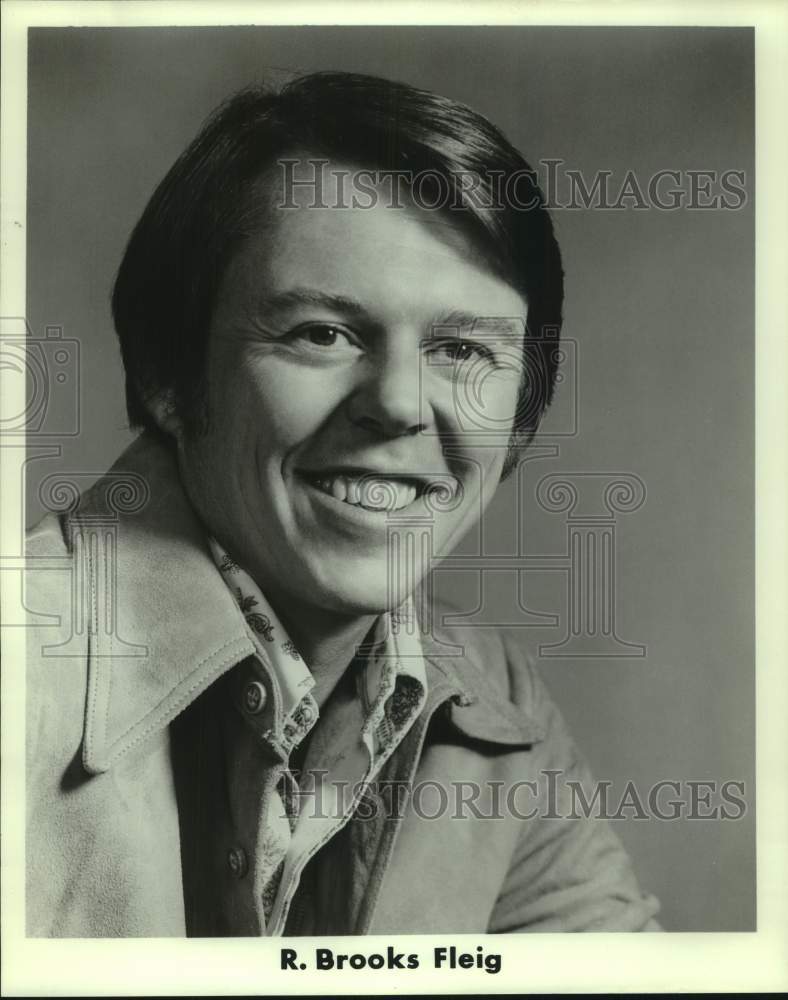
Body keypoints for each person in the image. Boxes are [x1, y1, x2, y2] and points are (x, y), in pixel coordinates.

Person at [25, 71, 660, 936]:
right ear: (169, 374)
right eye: (322, 333)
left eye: (463, 349)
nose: (399, 404)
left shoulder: (496, 703)